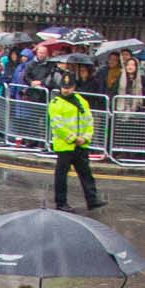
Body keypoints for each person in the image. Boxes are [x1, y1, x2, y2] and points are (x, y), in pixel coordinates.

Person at [46, 78, 102, 211]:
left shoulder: (81, 100)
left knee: (86, 173)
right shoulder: (56, 103)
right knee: (62, 176)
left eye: (69, 86)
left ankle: (92, 200)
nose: (66, 89)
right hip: (65, 145)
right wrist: (73, 138)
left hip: (81, 145)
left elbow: (89, 121)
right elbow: (57, 125)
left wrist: (86, 138)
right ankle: (61, 203)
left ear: (74, 87)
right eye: (64, 87)